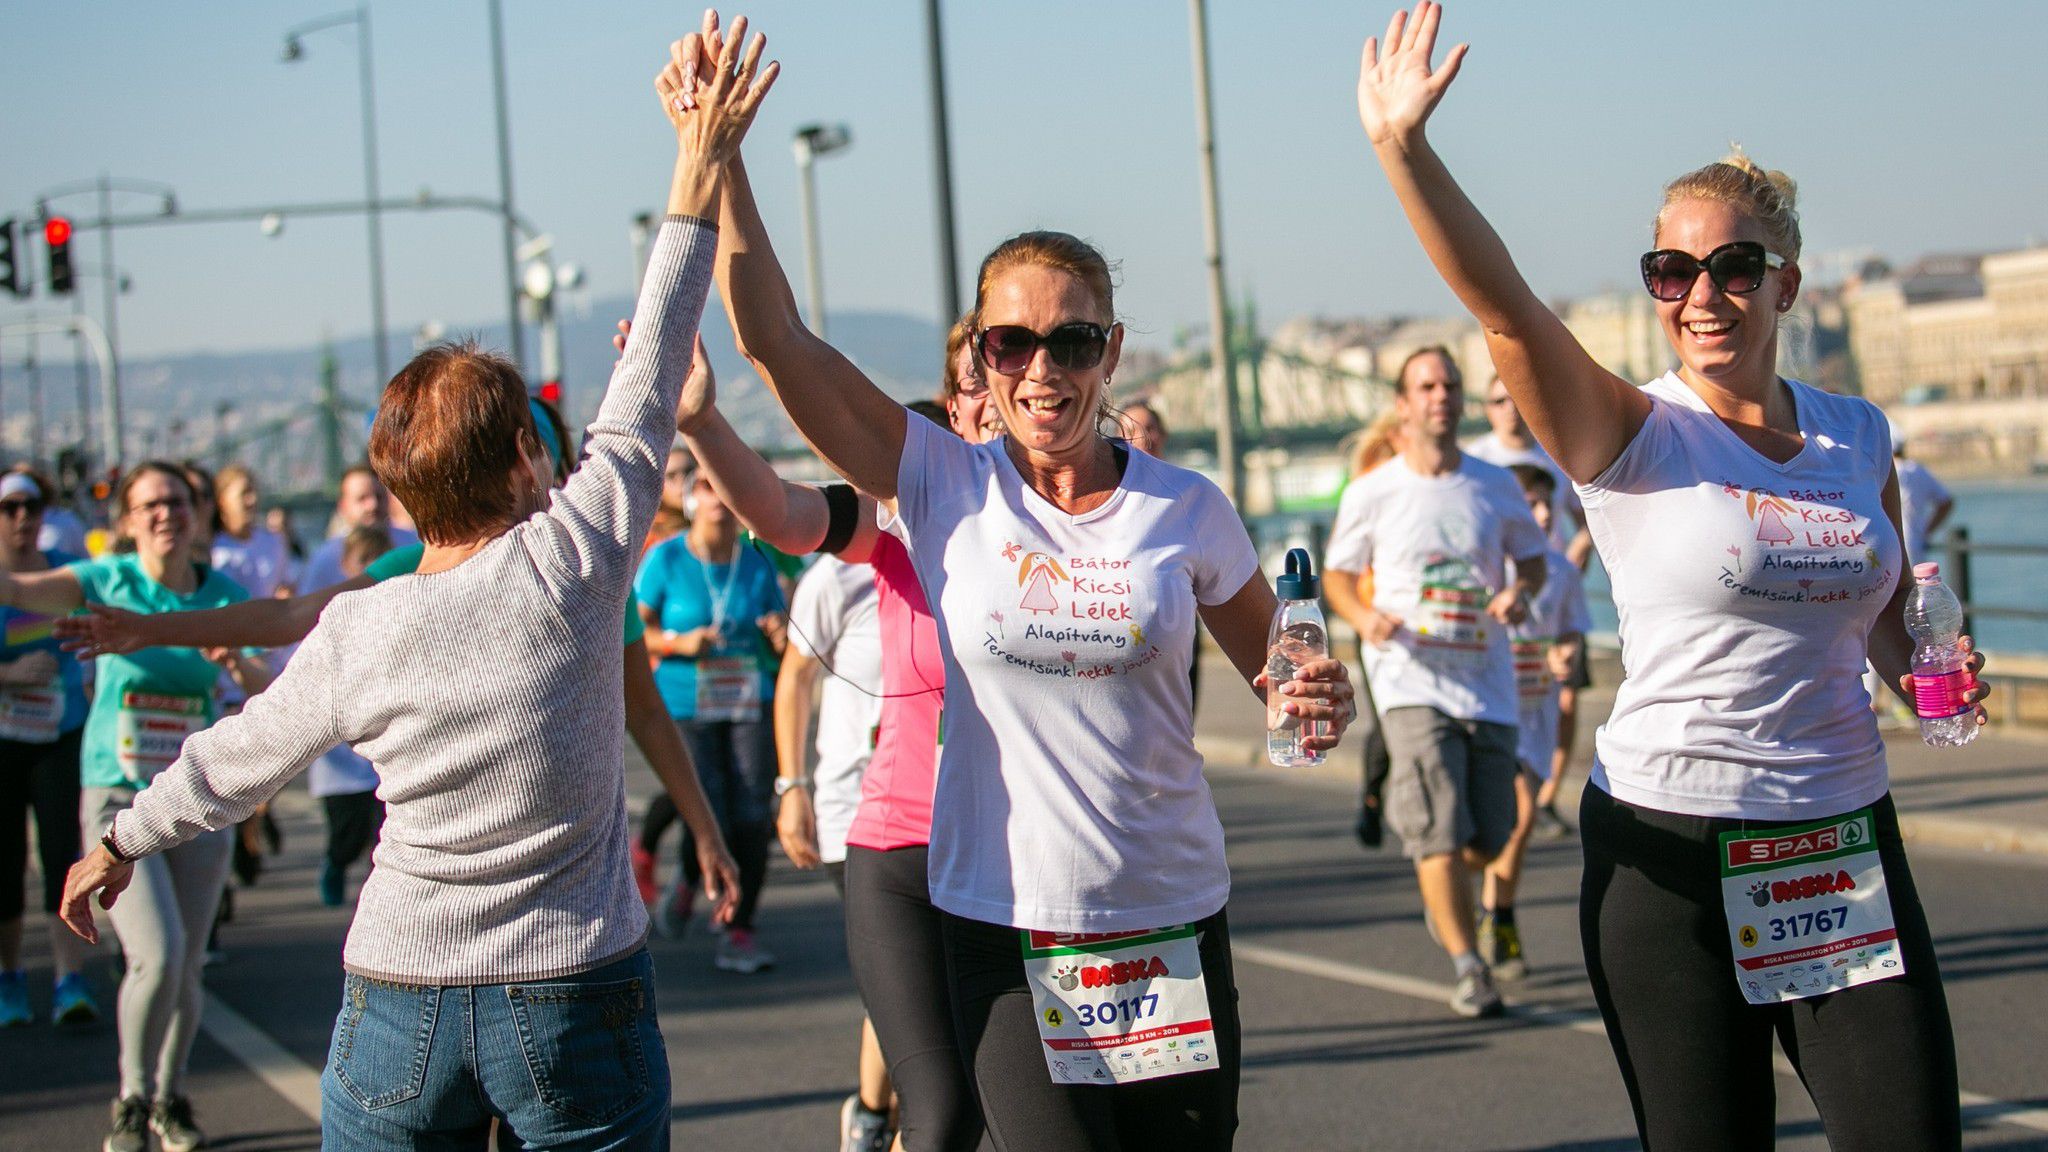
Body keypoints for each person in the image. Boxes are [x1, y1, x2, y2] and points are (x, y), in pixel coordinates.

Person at [56, 28, 772, 1148]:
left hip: (399, 994)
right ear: (526, 466)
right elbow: (648, 373)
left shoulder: (359, 626)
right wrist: (698, 155)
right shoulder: (574, 561)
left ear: (401, 495)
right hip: (572, 986)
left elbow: (237, 759)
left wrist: (121, 839)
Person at [1356, 6, 1987, 1145]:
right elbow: (1503, 311)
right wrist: (1404, 150)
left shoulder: (1859, 435)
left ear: (1784, 284)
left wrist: (1933, 672)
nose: (1701, 293)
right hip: (1671, 846)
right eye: (1671, 269)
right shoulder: (1633, 434)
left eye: (1732, 266)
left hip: (1837, 836)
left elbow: (1886, 612)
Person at [703, 64, 1354, 1141]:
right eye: (1012, 343)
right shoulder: (941, 482)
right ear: (979, 355)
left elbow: (1281, 690)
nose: (1041, 369)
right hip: (1002, 923)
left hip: (1166, 916)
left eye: (1073, 341)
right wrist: (721, 160)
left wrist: (1310, 701)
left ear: (1112, 352)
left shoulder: (1188, 510)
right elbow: (775, 338)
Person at [658, 315, 990, 1152]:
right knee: (944, 1111)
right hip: (898, 841)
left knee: (1025, 1104)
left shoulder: (1074, 522)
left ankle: (878, 1112)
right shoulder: (900, 523)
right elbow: (783, 512)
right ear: (950, 412)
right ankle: (875, 1116)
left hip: (1022, 847)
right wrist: (702, 423)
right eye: (972, 382)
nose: (994, 398)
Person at [2, 460, 271, 1152]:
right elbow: (16, 589)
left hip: (195, 799)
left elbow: (263, 684)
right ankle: (131, 1098)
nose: (165, 513)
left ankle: (172, 1098)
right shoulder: (104, 583)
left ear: (198, 512)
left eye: (177, 500)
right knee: (160, 953)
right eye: (149, 504)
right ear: (125, 520)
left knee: (184, 966)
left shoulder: (221, 595)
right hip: (118, 797)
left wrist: (234, 663)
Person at [1322, 345, 1547, 1018]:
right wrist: (1365, 617)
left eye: (1449, 385)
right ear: (1403, 403)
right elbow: (1337, 575)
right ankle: (1467, 964)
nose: (1440, 396)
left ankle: (1444, 894)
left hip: (1487, 680)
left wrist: (1520, 595)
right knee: (1440, 828)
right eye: (1426, 386)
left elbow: (1531, 563)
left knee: (1490, 834)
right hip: (1410, 680)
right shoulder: (1374, 491)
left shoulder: (1495, 484)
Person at [635, 437, 789, 972]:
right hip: (684, 701)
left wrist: (778, 633)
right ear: (691, 498)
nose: (716, 496)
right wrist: (679, 643)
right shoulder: (666, 560)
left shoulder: (755, 561)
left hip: (747, 698)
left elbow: (780, 632)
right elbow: (636, 634)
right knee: (710, 807)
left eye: (723, 486)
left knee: (750, 815)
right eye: (705, 486)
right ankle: (692, 880)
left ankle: (739, 926)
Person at [1466, 378, 1594, 835]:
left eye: (1518, 399)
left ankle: (1546, 795)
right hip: (1503, 596)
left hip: (1555, 592)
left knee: (1564, 698)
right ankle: (1513, 794)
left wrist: (1577, 552)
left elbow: (1589, 518)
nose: (1510, 410)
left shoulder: (1553, 454)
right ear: (1486, 408)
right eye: (1500, 401)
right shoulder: (1479, 459)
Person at [1477, 464, 1590, 980]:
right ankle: (1488, 909)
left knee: (1516, 824)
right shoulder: (1484, 568)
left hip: (1537, 714)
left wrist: (1565, 655)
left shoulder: (1561, 573)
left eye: (1547, 504)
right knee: (1498, 828)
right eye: (1531, 504)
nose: (1543, 514)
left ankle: (1495, 915)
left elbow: (1570, 634)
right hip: (1489, 712)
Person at [0, 470, 99, 1028]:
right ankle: (10, 976)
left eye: (32, 506)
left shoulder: (64, 571)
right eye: (10, 506)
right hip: (3, 739)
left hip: (62, 733)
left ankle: (69, 979)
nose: (22, 517)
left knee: (64, 853)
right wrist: (7, 674)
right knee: (5, 863)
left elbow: (91, 630)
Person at [303, 525, 395, 906]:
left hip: (382, 755)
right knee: (347, 831)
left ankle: (382, 899)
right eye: (363, 564)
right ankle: (335, 864)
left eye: (380, 563)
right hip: (339, 759)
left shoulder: (399, 606)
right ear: (346, 566)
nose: (372, 572)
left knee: (383, 835)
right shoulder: (336, 614)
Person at [1331, 410, 1404, 848]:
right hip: (1374, 617)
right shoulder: (1373, 485)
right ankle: (1374, 798)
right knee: (1391, 716)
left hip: (1421, 622)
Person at [298, 464, 416, 594]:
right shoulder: (326, 558)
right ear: (343, 506)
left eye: (379, 496)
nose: (372, 505)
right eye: (362, 498)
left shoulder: (412, 543)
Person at [209, 465, 294, 601]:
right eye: (244, 493)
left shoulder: (274, 542)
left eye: (254, 492)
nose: (252, 500)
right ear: (222, 500)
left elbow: (286, 584)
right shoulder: (213, 548)